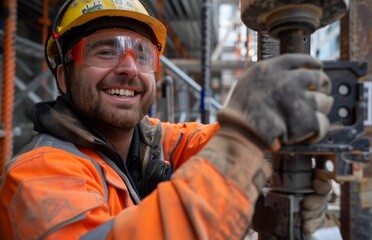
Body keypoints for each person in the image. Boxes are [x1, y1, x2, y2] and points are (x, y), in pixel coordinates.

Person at [0, 0, 333, 239]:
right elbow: (233, 148)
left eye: (141, 53)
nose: (128, 67)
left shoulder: (148, 141)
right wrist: (242, 143)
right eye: (104, 51)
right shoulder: (35, 176)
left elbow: (215, 143)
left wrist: (265, 193)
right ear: (63, 75)